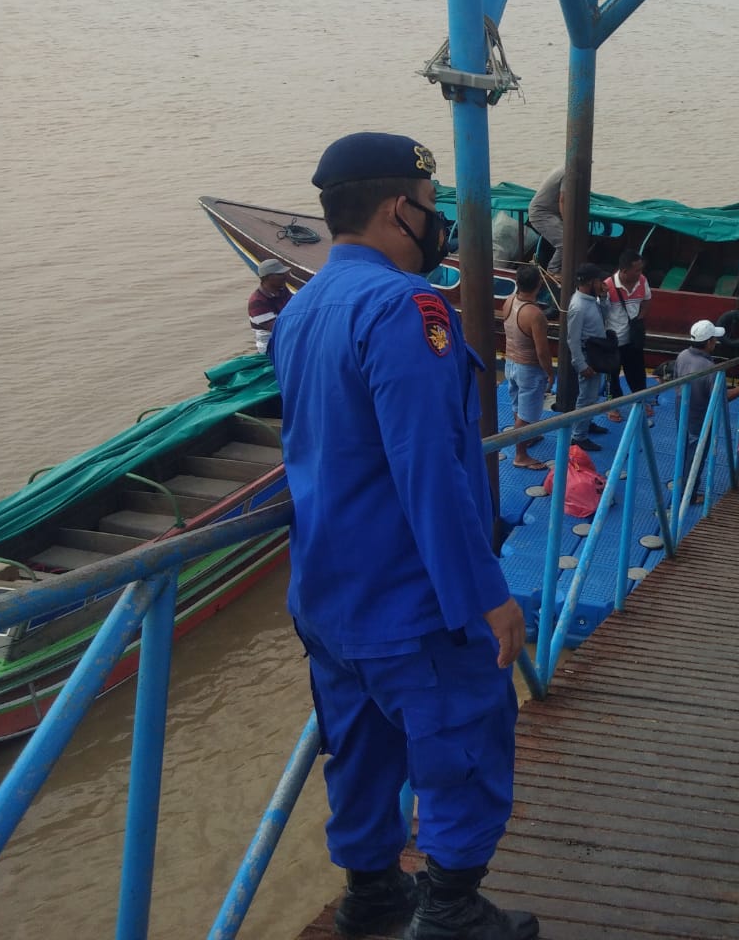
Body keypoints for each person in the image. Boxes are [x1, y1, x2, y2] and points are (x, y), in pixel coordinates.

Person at [267, 132, 537, 940]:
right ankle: (451, 910)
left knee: (361, 754)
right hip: (411, 598)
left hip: (327, 597)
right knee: (462, 746)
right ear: (399, 208)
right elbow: (429, 468)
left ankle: (372, 895)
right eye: (432, 206)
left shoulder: (303, 305)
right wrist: (485, 596)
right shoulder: (404, 308)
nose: (438, 222)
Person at [675, 319, 739, 484]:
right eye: (714, 339)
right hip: (700, 420)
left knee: (684, 452)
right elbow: (722, 398)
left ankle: (682, 485)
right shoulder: (709, 369)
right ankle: (689, 493)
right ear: (709, 342)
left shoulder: (682, 355)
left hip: (683, 414)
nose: (716, 342)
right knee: (696, 457)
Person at [501, 264, 553, 471]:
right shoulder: (534, 314)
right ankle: (520, 454)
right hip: (528, 368)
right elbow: (542, 351)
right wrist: (550, 373)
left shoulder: (508, 302)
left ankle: (526, 437)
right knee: (528, 413)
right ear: (539, 285)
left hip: (510, 363)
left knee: (518, 407)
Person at [565, 263, 611, 452]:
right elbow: (573, 339)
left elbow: (605, 317)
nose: (602, 283)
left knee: (592, 395)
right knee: (586, 397)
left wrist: (604, 297)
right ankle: (578, 436)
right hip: (586, 355)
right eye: (599, 280)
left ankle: (586, 423)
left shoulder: (591, 300)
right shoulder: (578, 306)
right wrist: (581, 365)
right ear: (592, 282)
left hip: (595, 352)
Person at [604, 250, 652, 422]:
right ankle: (612, 406)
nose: (640, 273)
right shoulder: (607, 286)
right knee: (612, 376)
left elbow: (647, 299)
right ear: (624, 271)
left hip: (633, 338)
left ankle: (640, 401)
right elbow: (601, 313)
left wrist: (639, 318)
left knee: (638, 372)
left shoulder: (642, 281)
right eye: (637, 270)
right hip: (614, 340)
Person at [248, 258, 293, 354]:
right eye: (280, 274)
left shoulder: (282, 289)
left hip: (287, 335)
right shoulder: (257, 302)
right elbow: (278, 328)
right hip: (270, 345)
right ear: (268, 277)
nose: (285, 276)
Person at [527, 165, 566, 276]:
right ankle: (553, 270)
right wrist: (566, 224)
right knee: (564, 243)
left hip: (551, 212)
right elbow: (563, 200)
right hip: (541, 213)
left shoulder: (562, 169)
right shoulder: (569, 173)